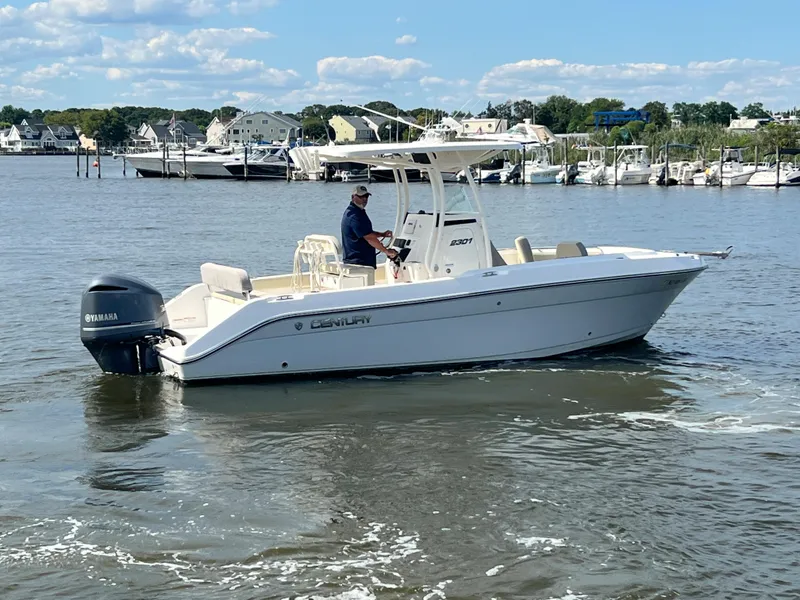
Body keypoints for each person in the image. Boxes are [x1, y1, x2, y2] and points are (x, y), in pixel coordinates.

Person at [341, 184, 398, 268]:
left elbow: (365, 232)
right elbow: (369, 238)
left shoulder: (355, 212)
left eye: (366, 196)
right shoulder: (355, 216)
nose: (364, 199)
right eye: (361, 196)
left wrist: (382, 234)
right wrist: (387, 251)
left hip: (357, 260)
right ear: (353, 197)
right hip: (358, 262)